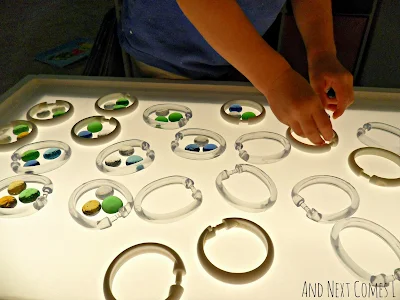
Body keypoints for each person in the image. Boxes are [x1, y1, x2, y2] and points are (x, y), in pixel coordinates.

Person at [118, 0, 354, 145]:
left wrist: (321, 52)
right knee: (167, 137)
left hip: (238, 57)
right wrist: (275, 79)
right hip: (165, 55)